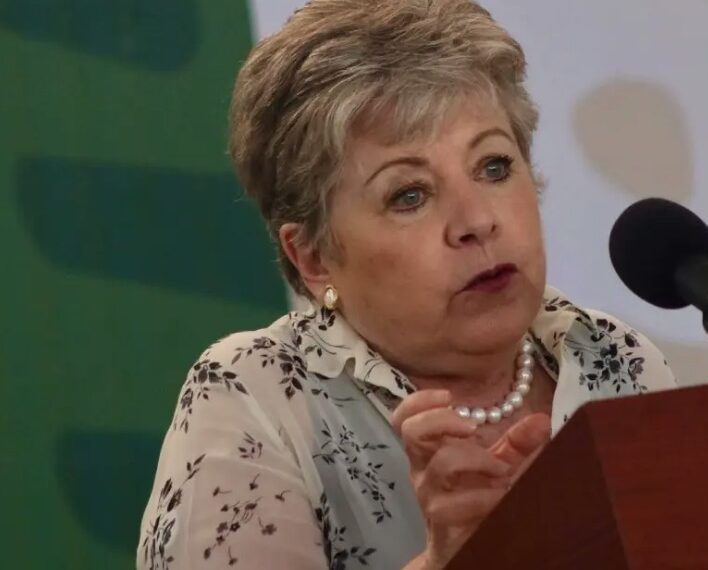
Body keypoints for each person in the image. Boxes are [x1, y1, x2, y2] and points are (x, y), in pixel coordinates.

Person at [136, 1, 676, 568]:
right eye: (409, 195)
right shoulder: (256, 394)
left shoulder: (613, 357)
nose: (477, 221)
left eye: (493, 166)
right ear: (315, 258)